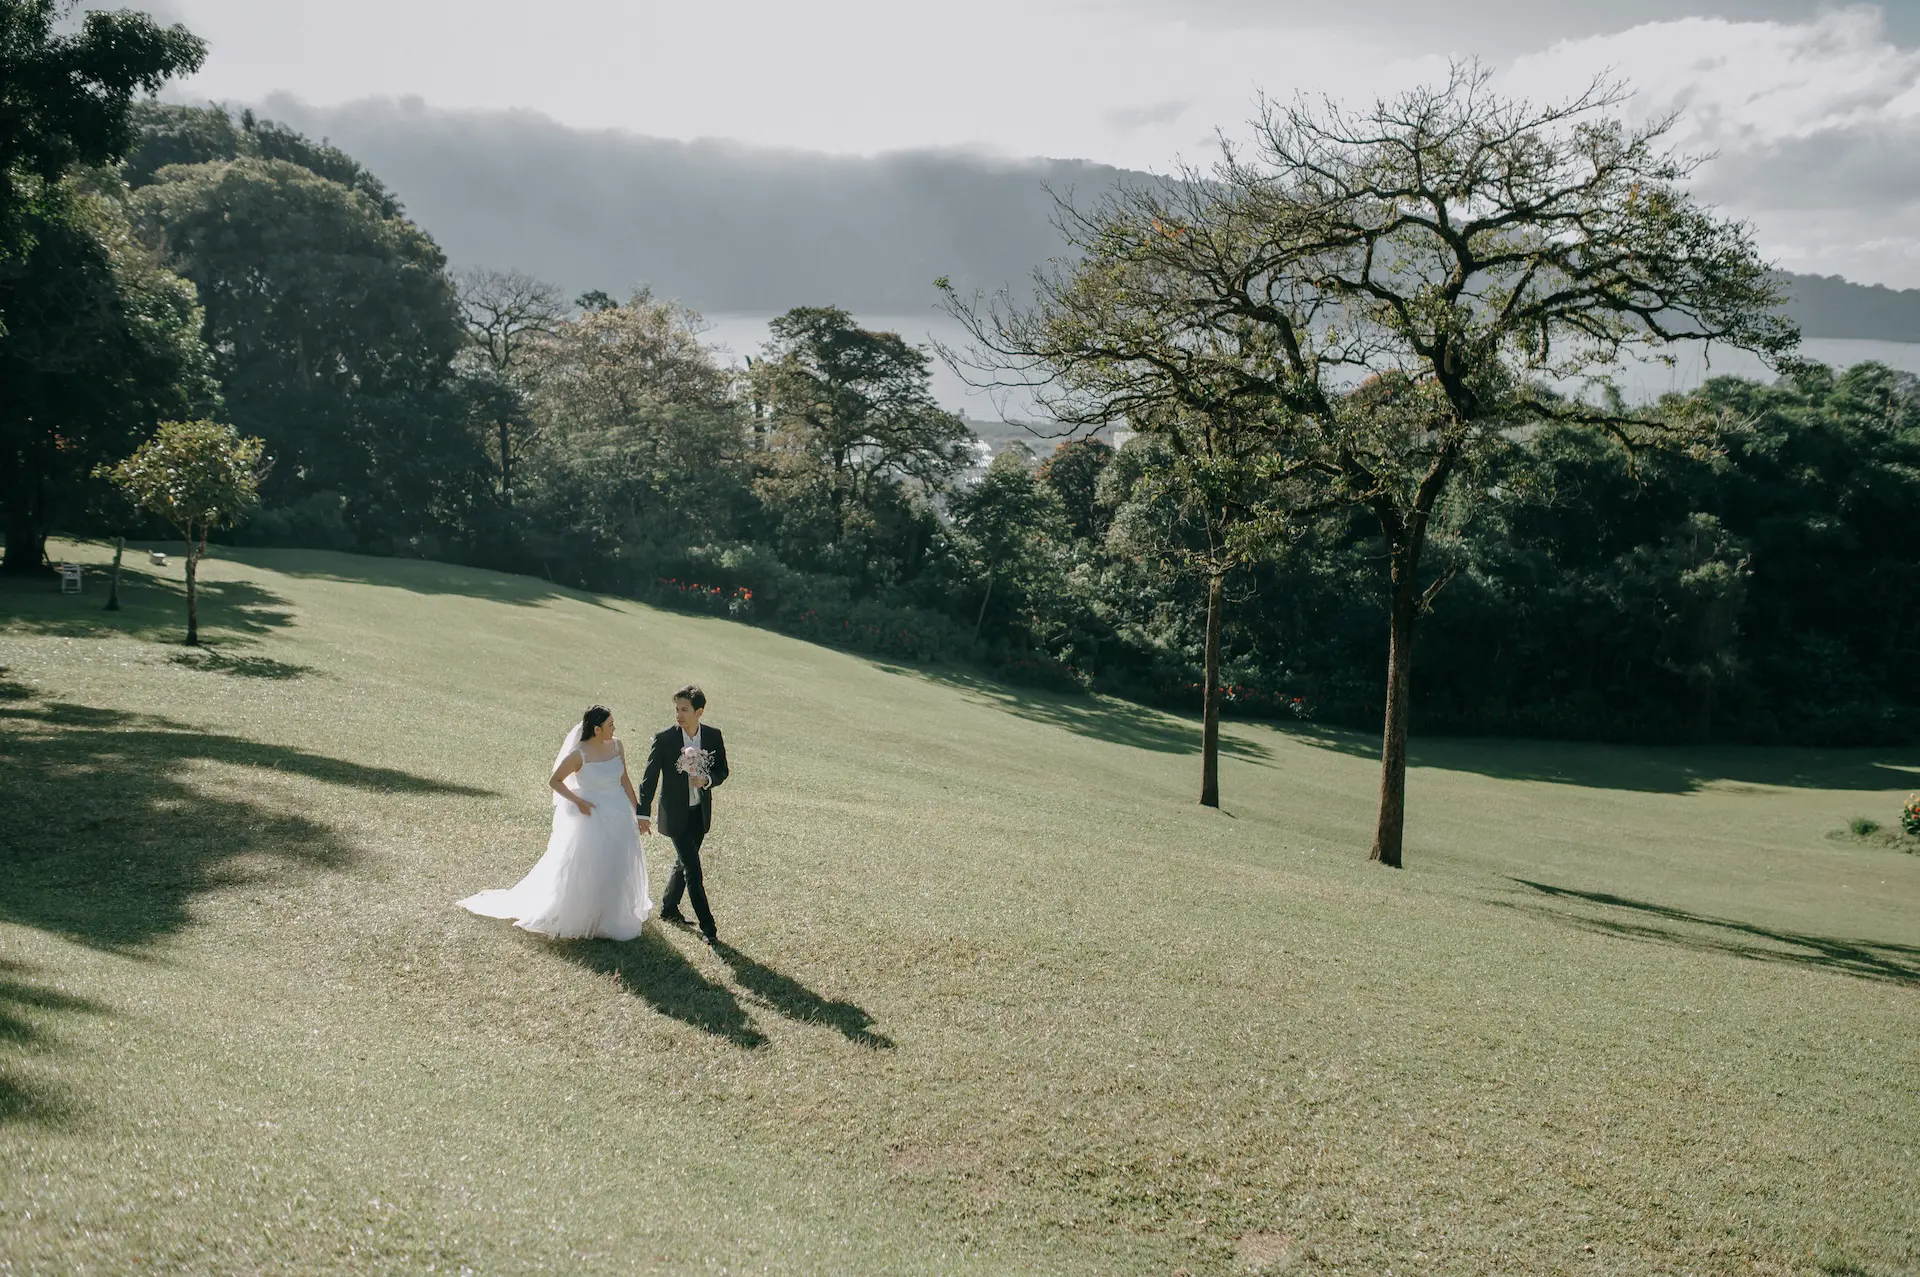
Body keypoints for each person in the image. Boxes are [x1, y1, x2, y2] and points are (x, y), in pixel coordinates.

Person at [457, 705, 651, 940]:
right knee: (592, 866)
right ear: (597, 729)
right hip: (593, 817)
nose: (614, 728)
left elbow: (625, 779)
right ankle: (587, 915)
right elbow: (555, 781)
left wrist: (638, 813)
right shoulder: (579, 754)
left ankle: (611, 915)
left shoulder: (617, 746)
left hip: (619, 814)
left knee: (617, 863)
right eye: (610, 724)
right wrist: (578, 801)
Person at [638, 684, 729, 945]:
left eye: (684, 709)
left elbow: (722, 770)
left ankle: (669, 907)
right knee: (693, 869)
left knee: (683, 862)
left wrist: (707, 780)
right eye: (677, 709)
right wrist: (643, 814)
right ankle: (709, 928)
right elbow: (649, 778)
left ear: (699, 712)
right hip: (675, 814)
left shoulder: (712, 736)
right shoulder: (665, 739)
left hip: (699, 812)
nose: (678, 714)